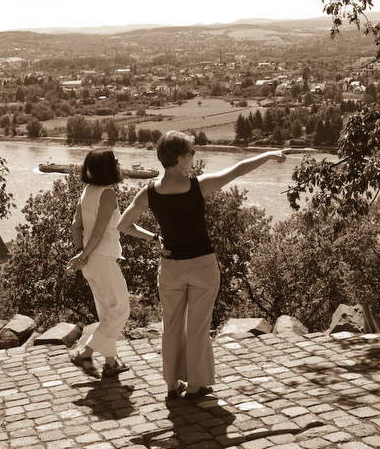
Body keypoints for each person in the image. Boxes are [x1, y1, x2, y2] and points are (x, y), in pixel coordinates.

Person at [118, 131, 288, 399]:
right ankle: (196, 384)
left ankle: (172, 383)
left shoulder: (149, 192)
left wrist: (154, 238)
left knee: (172, 326)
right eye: (192, 153)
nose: (194, 157)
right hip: (202, 266)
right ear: (181, 158)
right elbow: (238, 169)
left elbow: (123, 225)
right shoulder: (198, 186)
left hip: (171, 266)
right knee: (198, 327)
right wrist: (268, 154)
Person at [67, 149, 131, 379]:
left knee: (107, 314)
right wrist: (83, 255)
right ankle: (85, 352)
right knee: (122, 309)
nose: (118, 164)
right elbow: (98, 233)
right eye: (115, 161)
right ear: (108, 167)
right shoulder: (108, 194)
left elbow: (76, 226)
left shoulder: (87, 191)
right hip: (102, 258)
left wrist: (80, 254)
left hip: (90, 262)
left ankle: (111, 363)